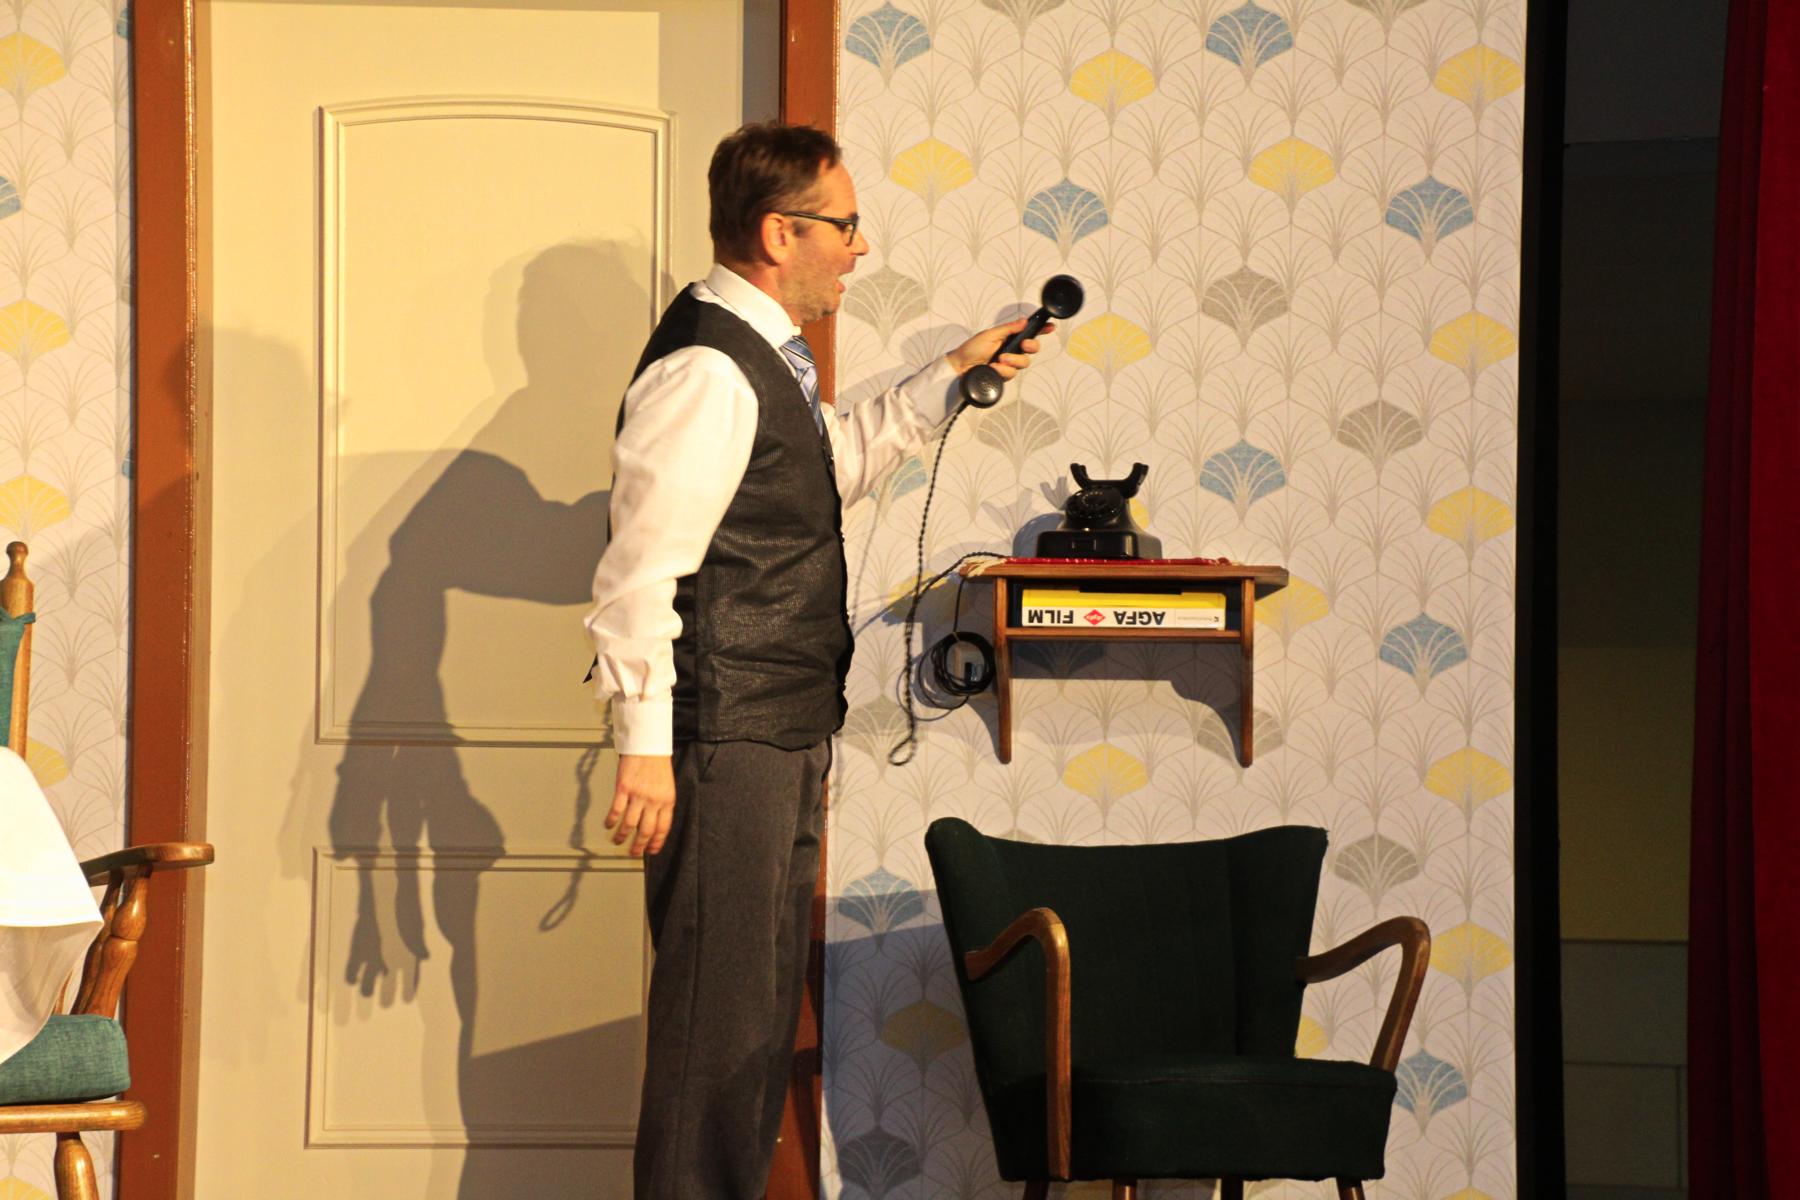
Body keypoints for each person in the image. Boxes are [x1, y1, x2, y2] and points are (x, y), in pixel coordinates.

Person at [582, 121, 1049, 1199]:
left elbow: (821, 467)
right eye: (844, 224)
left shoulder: (763, 359)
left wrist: (952, 373)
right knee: (715, 1036)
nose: (860, 246)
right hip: (728, 736)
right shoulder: (705, 369)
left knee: (749, 1028)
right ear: (778, 232)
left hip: (778, 729)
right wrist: (645, 747)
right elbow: (639, 571)